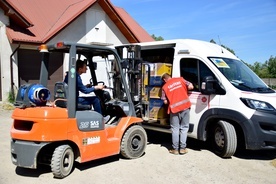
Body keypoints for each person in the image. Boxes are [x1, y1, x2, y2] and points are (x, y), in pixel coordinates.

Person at [161, 73, 194, 155]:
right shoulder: (181, 79)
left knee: (175, 129)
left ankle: (175, 149)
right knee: (184, 128)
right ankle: (183, 148)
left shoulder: (164, 87)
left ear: (165, 80)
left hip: (174, 109)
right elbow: (191, 86)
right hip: (185, 107)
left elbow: (165, 101)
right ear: (170, 77)